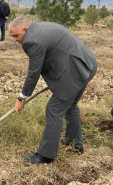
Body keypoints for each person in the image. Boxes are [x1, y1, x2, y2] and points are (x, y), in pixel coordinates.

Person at [9, 17, 97, 164]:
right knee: (70, 105)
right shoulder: (37, 27)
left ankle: (46, 155)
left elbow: (33, 72)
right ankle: (75, 144)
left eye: (16, 35)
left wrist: (21, 98)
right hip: (88, 64)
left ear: (25, 29)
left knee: (53, 108)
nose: (14, 40)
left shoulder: (32, 41)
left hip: (76, 70)